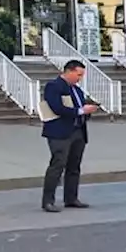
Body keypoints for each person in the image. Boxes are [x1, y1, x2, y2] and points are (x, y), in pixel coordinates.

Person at [41, 59, 99, 213]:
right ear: (69, 71)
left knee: (74, 166)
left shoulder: (78, 90)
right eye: (78, 75)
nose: (80, 78)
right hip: (60, 133)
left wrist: (87, 112)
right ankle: (48, 200)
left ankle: (71, 198)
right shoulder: (54, 86)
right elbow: (57, 108)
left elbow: (80, 107)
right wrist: (81, 111)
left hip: (78, 131)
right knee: (57, 165)